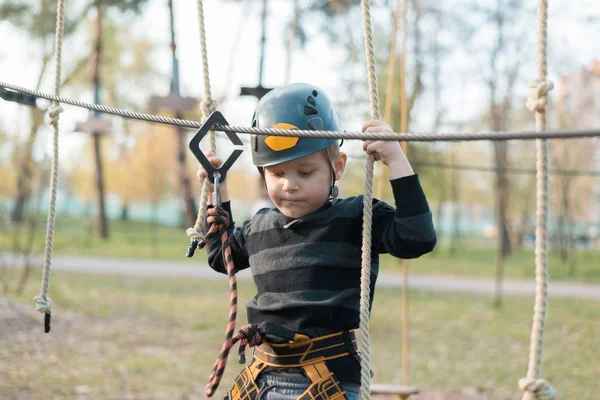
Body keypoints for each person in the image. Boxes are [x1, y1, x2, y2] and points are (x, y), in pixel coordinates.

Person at [197, 83, 436, 400]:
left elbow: (416, 238)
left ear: (337, 167)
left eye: (305, 172)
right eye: (276, 173)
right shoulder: (259, 227)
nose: (289, 185)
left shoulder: (356, 218)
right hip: (263, 379)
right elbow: (220, 257)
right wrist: (219, 191)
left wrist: (396, 159)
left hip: (331, 381)